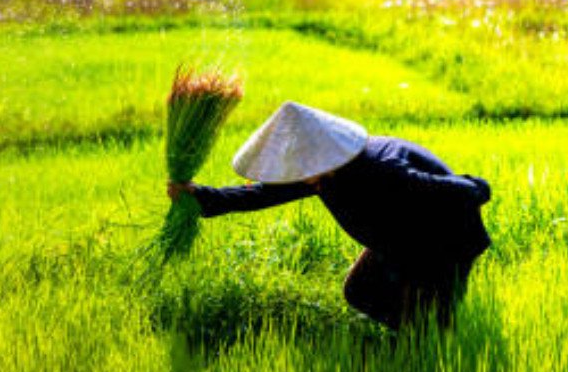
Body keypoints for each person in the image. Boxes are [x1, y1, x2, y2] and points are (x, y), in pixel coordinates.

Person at [168, 102, 492, 330]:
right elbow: (263, 194)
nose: (298, 175)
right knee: (361, 291)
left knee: (429, 323)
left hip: (444, 239)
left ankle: (431, 349)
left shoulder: (385, 169)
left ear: (322, 156)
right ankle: (413, 339)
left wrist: (477, 187)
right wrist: (200, 197)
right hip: (398, 236)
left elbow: (458, 191)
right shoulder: (320, 172)